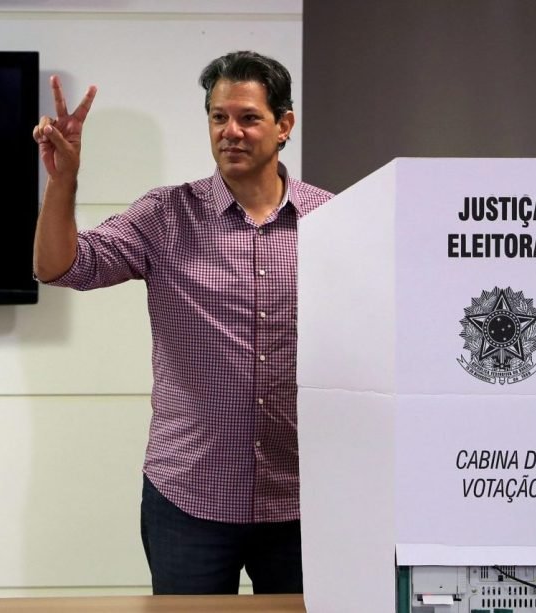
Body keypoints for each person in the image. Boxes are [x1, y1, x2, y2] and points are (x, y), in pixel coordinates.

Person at [32, 50, 333, 595]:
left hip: (301, 496)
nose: (230, 132)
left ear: (284, 125)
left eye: (248, 117)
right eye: (219, 117)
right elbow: (60, 267)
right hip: (190, 495)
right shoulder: (165, 215)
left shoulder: (332, 219)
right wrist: (64, 180)